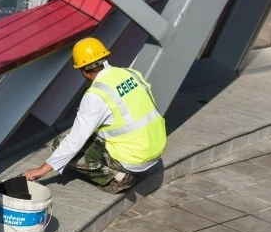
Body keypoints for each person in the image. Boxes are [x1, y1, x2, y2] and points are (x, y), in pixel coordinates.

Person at [24, 37, 166, 193]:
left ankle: (117, 177)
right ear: (104, 58)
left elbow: (76, 139)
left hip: (134, 158)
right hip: (156, 147)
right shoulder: (131, 73)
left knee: (61, 143)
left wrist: (43, 169)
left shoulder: (96, 95)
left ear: (83, 71)